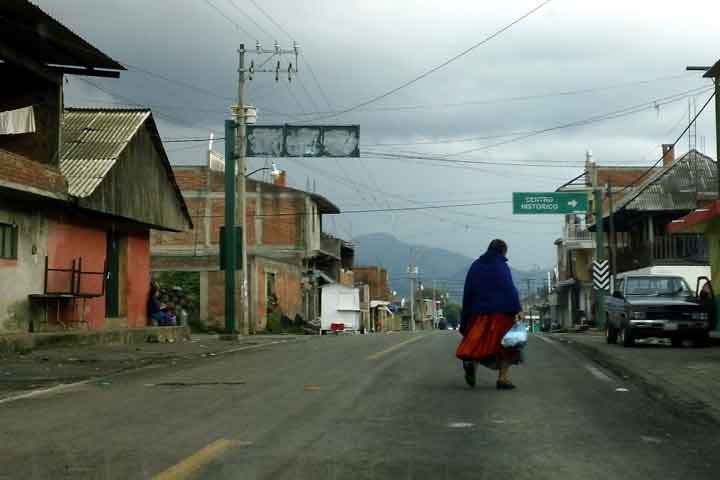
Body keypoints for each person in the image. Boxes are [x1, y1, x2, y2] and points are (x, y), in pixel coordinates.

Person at [456, 239, 522, 390]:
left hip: (478, 314)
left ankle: (471, 364)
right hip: (501, 315)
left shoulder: (475, 266)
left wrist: (466, 314)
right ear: (503, 251)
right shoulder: (501, 266)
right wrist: (517, 308)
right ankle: (502, 378)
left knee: (478, 343)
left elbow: (468, 291)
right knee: (509, 346)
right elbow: (509, 289)